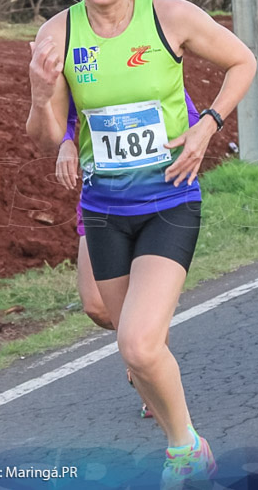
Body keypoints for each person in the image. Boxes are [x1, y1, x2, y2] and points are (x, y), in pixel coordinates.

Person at [27, 0, 255, 488]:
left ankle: (186, 449)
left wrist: (207, 125)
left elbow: (242, 62)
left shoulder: (169, 17)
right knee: (107, 314)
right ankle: (149, 358)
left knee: (137, 341)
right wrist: (45, 107)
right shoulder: (57, 33)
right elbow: (46, 133)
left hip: (169, 197)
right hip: (102, 207)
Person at [56, 91, 198, 419]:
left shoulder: (147, 51)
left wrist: (192, 143)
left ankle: (147, 354)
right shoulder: (75, 47)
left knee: (139, 329)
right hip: (101, 196)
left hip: (154, 194)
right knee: (94, 305)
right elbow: (61, 108)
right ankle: (148, 337)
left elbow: (185, 111)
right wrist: (66, 140)